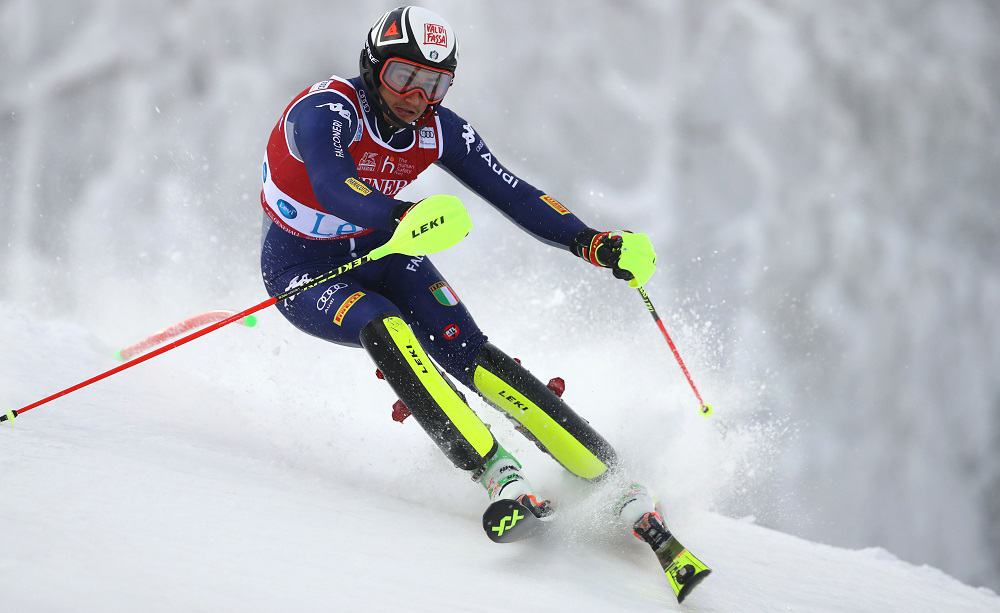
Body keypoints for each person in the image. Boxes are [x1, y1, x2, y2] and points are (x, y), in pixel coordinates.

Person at [259, 6, 709, 599]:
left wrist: (589, 242)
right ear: (372, 67)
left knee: (465, 348)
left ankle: (611, 477)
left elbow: (510, 190)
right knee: (384, 324)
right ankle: (496, 471)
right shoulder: (326, 110)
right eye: (404, 77)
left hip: (385, 247)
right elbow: (329, 179)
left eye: (435, 84)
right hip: (305, 268)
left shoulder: (437, 128)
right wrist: (401, 215)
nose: (418, 97)